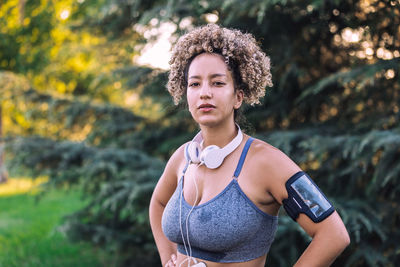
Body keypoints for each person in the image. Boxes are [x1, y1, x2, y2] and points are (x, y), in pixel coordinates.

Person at [149, 24, 350, 267]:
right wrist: (167, 257)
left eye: (218, 83)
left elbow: (333, 235)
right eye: (194, 84)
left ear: (238, 96)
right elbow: (158, 203)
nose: (204, 93)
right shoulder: (183, 157)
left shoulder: (267, 162)